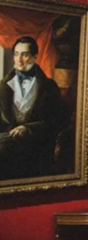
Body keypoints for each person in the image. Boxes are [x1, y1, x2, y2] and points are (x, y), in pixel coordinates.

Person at [0, 36, 63, 180]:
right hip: (7, 139)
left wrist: (28, 128)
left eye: (25, 55)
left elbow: (56, 120)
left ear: (35, 57)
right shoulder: (3, 87)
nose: (19, 60)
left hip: (36, 142)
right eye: (16, 54)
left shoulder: (49, 87)